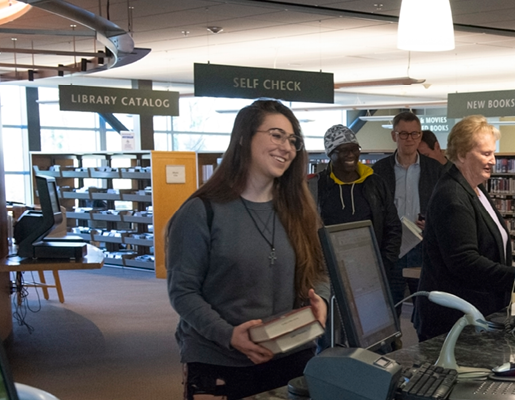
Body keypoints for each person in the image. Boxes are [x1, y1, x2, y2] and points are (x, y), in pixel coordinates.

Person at [166, 99, 329, 400]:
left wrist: (322, 301)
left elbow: (318, 272)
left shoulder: (299, 209)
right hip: (221, 362)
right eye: (276, 135)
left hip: (292, 359)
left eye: (293, 140)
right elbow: (183, 292)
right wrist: (228, 335)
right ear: (243, 138)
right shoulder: (201, 212)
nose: (287, 147)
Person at [413, 115, 515, 341]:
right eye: (485, 154)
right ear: (462, 154)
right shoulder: (452, 196)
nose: (493, 160)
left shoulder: (476, 189)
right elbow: (465, 263)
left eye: (493, 153)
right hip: (453, 322)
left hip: (477, 314)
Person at [310, 125, 402, 316]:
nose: (351, 154)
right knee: (331, 327)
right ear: (330, 153)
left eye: (354, 149)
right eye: (344, 150)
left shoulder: (375, 184)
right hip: (329, 273)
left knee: (370, 324)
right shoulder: (316, 186)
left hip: (370, 271)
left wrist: (385, 264)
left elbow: (392, 226)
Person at [372, 112, 444, 302]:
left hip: (423, 248)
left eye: (415, 134)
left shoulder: (434, 169)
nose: (409, 139)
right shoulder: (379, 170)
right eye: (403, 134)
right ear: (394, 136)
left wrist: (433, 223)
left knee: (426, 307)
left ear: (420, 136)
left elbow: (444, 208)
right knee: (389, 305)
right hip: (392, 249)